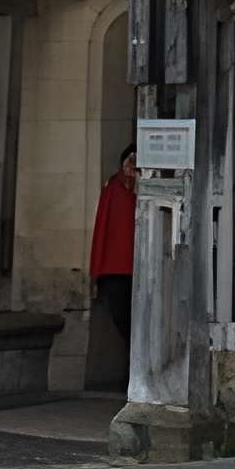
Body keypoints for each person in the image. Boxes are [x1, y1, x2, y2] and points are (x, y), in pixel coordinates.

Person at [90, 144, 137, 346]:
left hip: (139, 266)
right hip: (115, 268)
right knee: (122, 318)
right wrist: (97, 271)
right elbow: (102, 228)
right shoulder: (113, 187)